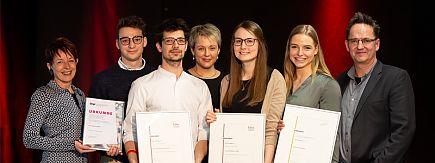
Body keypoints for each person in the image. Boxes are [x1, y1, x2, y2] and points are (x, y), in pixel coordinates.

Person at [123, 18, 213, 163]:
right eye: (169, 41)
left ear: (186, 46)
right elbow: (130, 130)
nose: (176, 45)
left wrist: (196, 160)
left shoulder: (200, 87)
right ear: (159, 46)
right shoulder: (141, 85)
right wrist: (134, 159)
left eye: (180, 41)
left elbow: (204, 132)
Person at [338, 12, 415, 163]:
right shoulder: (340, 82)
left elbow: (403, 131)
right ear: (347, 45)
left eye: (366, 40)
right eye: (354, 41)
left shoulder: (396, 78)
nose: (360, 46)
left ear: (377, 44)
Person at [206, 20, 287, 163]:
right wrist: (216, 121)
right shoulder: (226, 82)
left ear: (260, 44)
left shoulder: (274, 79)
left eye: (249, 41)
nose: (243, 46)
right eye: (238, 41)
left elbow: (271, 130)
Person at [89, 15, 155, 163]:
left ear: (144, 41)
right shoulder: (102, 80)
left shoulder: (156, 76)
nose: (131, 45)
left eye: (136, 39)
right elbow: (94, 125)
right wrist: (104, 145)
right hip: (113, 157)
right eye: (125, 40)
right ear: (117, 44)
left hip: (151, 155)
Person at [23, 37, 96, 162]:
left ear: (77, 62)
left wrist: (109, 142)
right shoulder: (43, 95)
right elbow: (29, 139)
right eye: (60, 62)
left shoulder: (80, 94)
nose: (67, 66)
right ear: (50, 66)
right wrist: (71, 144)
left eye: (71, 60)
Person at [281, 24, 341, 163]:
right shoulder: (281, 83)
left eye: (307, 47)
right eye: (294, 47)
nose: (299, 53)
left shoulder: (328, 86)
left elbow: (332, 137)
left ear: (316, 50)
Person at [187, 23, 224, 163]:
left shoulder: (229, 81)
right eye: (201, 48)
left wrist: (223, 119)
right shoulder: (182, 80)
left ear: (219, 50)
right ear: (192, 50)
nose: (207, 54)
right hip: (189, 153)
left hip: (221, 153)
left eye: (212, 48)